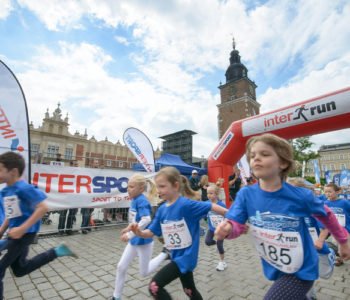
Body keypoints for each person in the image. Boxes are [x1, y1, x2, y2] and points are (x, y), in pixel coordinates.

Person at [215, 134, 350, 300]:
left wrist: (343, 242)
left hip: (302, 269)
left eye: (264, 154)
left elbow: (327, 215)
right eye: (252, 155)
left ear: (283, 163)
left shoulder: (301, 196)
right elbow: (237, 224)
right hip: (275, 266)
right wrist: (227, 229)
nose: (256, 158)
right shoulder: (246, 194)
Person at [131, 166, 228, 300]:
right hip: (175, 256)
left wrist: (233, 219)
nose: (159, 190)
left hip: (186, 258)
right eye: (157, 187)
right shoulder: (162, 210)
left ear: (175, 186)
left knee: (154, 287)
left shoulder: (186, 205)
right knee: (189, 290)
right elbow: (151, 231)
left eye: (163, 186)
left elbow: (211, 206)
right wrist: (140, 233)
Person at [0, 152, 77, 299]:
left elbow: (43, 208)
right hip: (15, 234)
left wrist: (22, 229)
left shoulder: (23, 188)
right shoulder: (6, 190)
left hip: (25, 235)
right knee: (20, 270)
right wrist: (2, 229)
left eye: (0, 169)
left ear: (13, 172)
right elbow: (12, 214)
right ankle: (57, 251)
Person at [112, 174, 168, 300]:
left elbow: (146, 219)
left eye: (131, 187)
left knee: (144, 272)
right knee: (121, 267)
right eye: (128, 186)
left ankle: (165, 254)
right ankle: (116, 296)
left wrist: (130, 234)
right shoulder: (134, 200)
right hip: (134, 241)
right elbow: (135, 220)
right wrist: (128, 228)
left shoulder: (141, 201)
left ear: (141, 189)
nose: (128, 189)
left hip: (144, 242)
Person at [287, 177, 336, 300]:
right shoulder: (287, 209)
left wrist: (320, 241)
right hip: (299, 249)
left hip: (317, 246)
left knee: (324, 274)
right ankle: (309, 296)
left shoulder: (312, 209)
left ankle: (330, 252)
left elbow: (326, 226)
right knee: (304, 274)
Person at [322, 183, 350, 266]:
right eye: (325, 192)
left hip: (346, 229)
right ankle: (339, 258)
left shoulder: (344, 202)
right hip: (333, 230)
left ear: (337, 192)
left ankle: (341, 257)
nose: (327, 194)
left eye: (330, 192)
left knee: (343, 244)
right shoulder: (325, 203)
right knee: (336, 243)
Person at [205, 184, 227, 271]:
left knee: (220, 245)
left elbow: (227, 216)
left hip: (220, 230)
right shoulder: (206, 203)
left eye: (211, 193)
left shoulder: (221, 204)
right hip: (211, 228)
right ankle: (217, 246)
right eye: (207, 193)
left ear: (216, 194)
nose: (209, 195)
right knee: (207, 241)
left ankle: (222, 262)